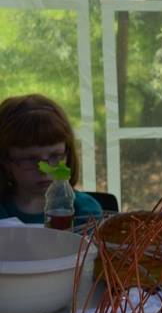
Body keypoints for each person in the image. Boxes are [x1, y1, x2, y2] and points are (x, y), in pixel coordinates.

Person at [0, 94, 102, 225]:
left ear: (67, 153)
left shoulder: (86, 211)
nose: (45, 171)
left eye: (55, 156)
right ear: (5, 161)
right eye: (30, 158)